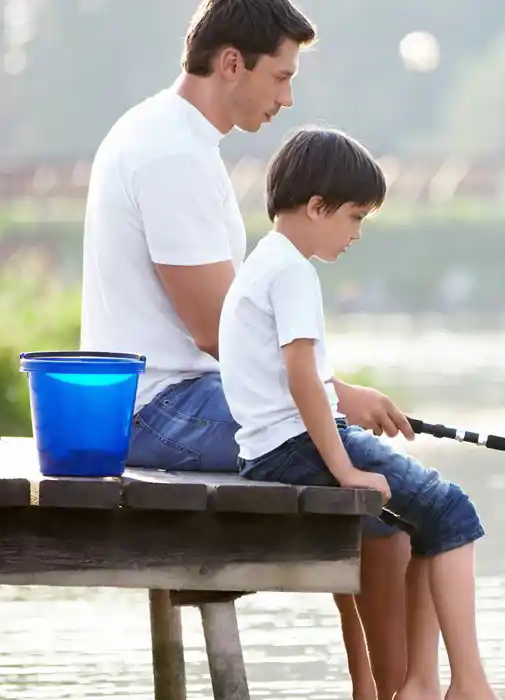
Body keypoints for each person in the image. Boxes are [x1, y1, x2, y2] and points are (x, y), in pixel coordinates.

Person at [77, 1, 418, 697]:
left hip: (175, 397)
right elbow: (215, 329)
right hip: (160, 409)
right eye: (280, 77)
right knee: (389, 499)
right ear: (231, 62)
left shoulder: (167, 135)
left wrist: (330, 394)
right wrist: (335, 395)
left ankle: (375, 687)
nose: (287, 98)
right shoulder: (173, 153)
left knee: (356, 467)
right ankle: (392, 690)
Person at [219, 125, 501, 700]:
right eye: (354, 217)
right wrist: (346, 470)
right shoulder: (294, 272)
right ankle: (467, 683)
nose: (356, 234)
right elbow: (303, 380)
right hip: (297, 448)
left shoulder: (262, 263)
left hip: (268, 452)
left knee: (429, 521)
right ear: (317, 206)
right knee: (454, 510)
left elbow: (301, 379)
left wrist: (350, 414)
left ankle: (422, 682)